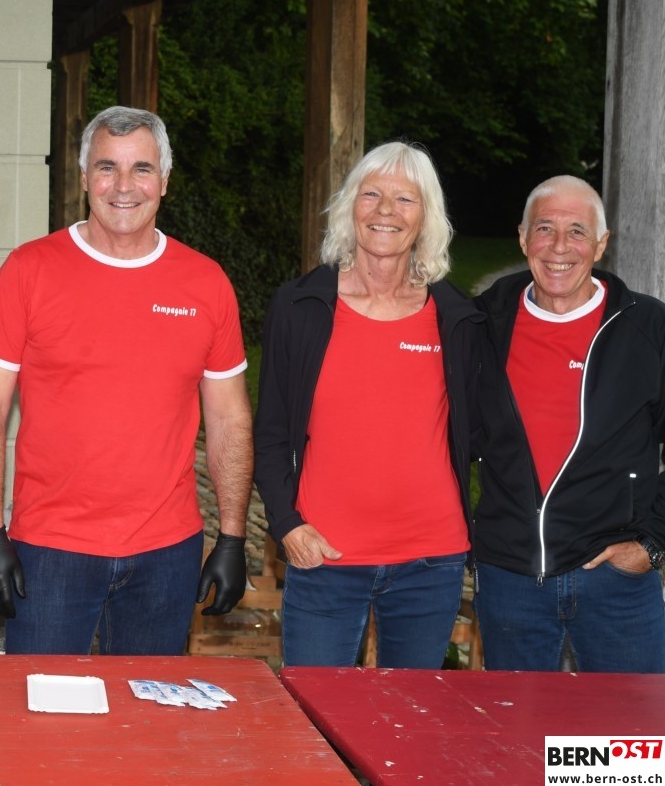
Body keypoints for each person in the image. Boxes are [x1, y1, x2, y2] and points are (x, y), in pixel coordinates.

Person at [0, 105, 252, 655]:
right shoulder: (28, 270)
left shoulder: (206, 283)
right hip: (50, 549)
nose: (123, 186)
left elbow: (229, 419)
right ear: (83, 178)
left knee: (147, 707)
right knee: (41, 703)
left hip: (166, 552)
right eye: (106, 167)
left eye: (141, 168)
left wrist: (233, 536)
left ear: (164, 180)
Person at [254, 141, 482, 668]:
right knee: (315, 710)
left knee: (410, 713)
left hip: (430, 561)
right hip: (323, 555)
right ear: (349, 206)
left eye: (405, 199)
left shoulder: (456, 318)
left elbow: (481, 431)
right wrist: (286, 523)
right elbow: (270, 432)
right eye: (371, 194)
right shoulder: (300, 307)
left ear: (425, 217)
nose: (385, 211)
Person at [472, 175, 665, 672]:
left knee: (633, 721)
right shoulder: (481, 325)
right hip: (511, 580)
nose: (559, 246)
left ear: (601, 244)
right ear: (523, 238)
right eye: (545, 228)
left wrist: (652, 543)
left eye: (577, 231)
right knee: (517, 721)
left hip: (616, 581)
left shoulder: (648, 328)